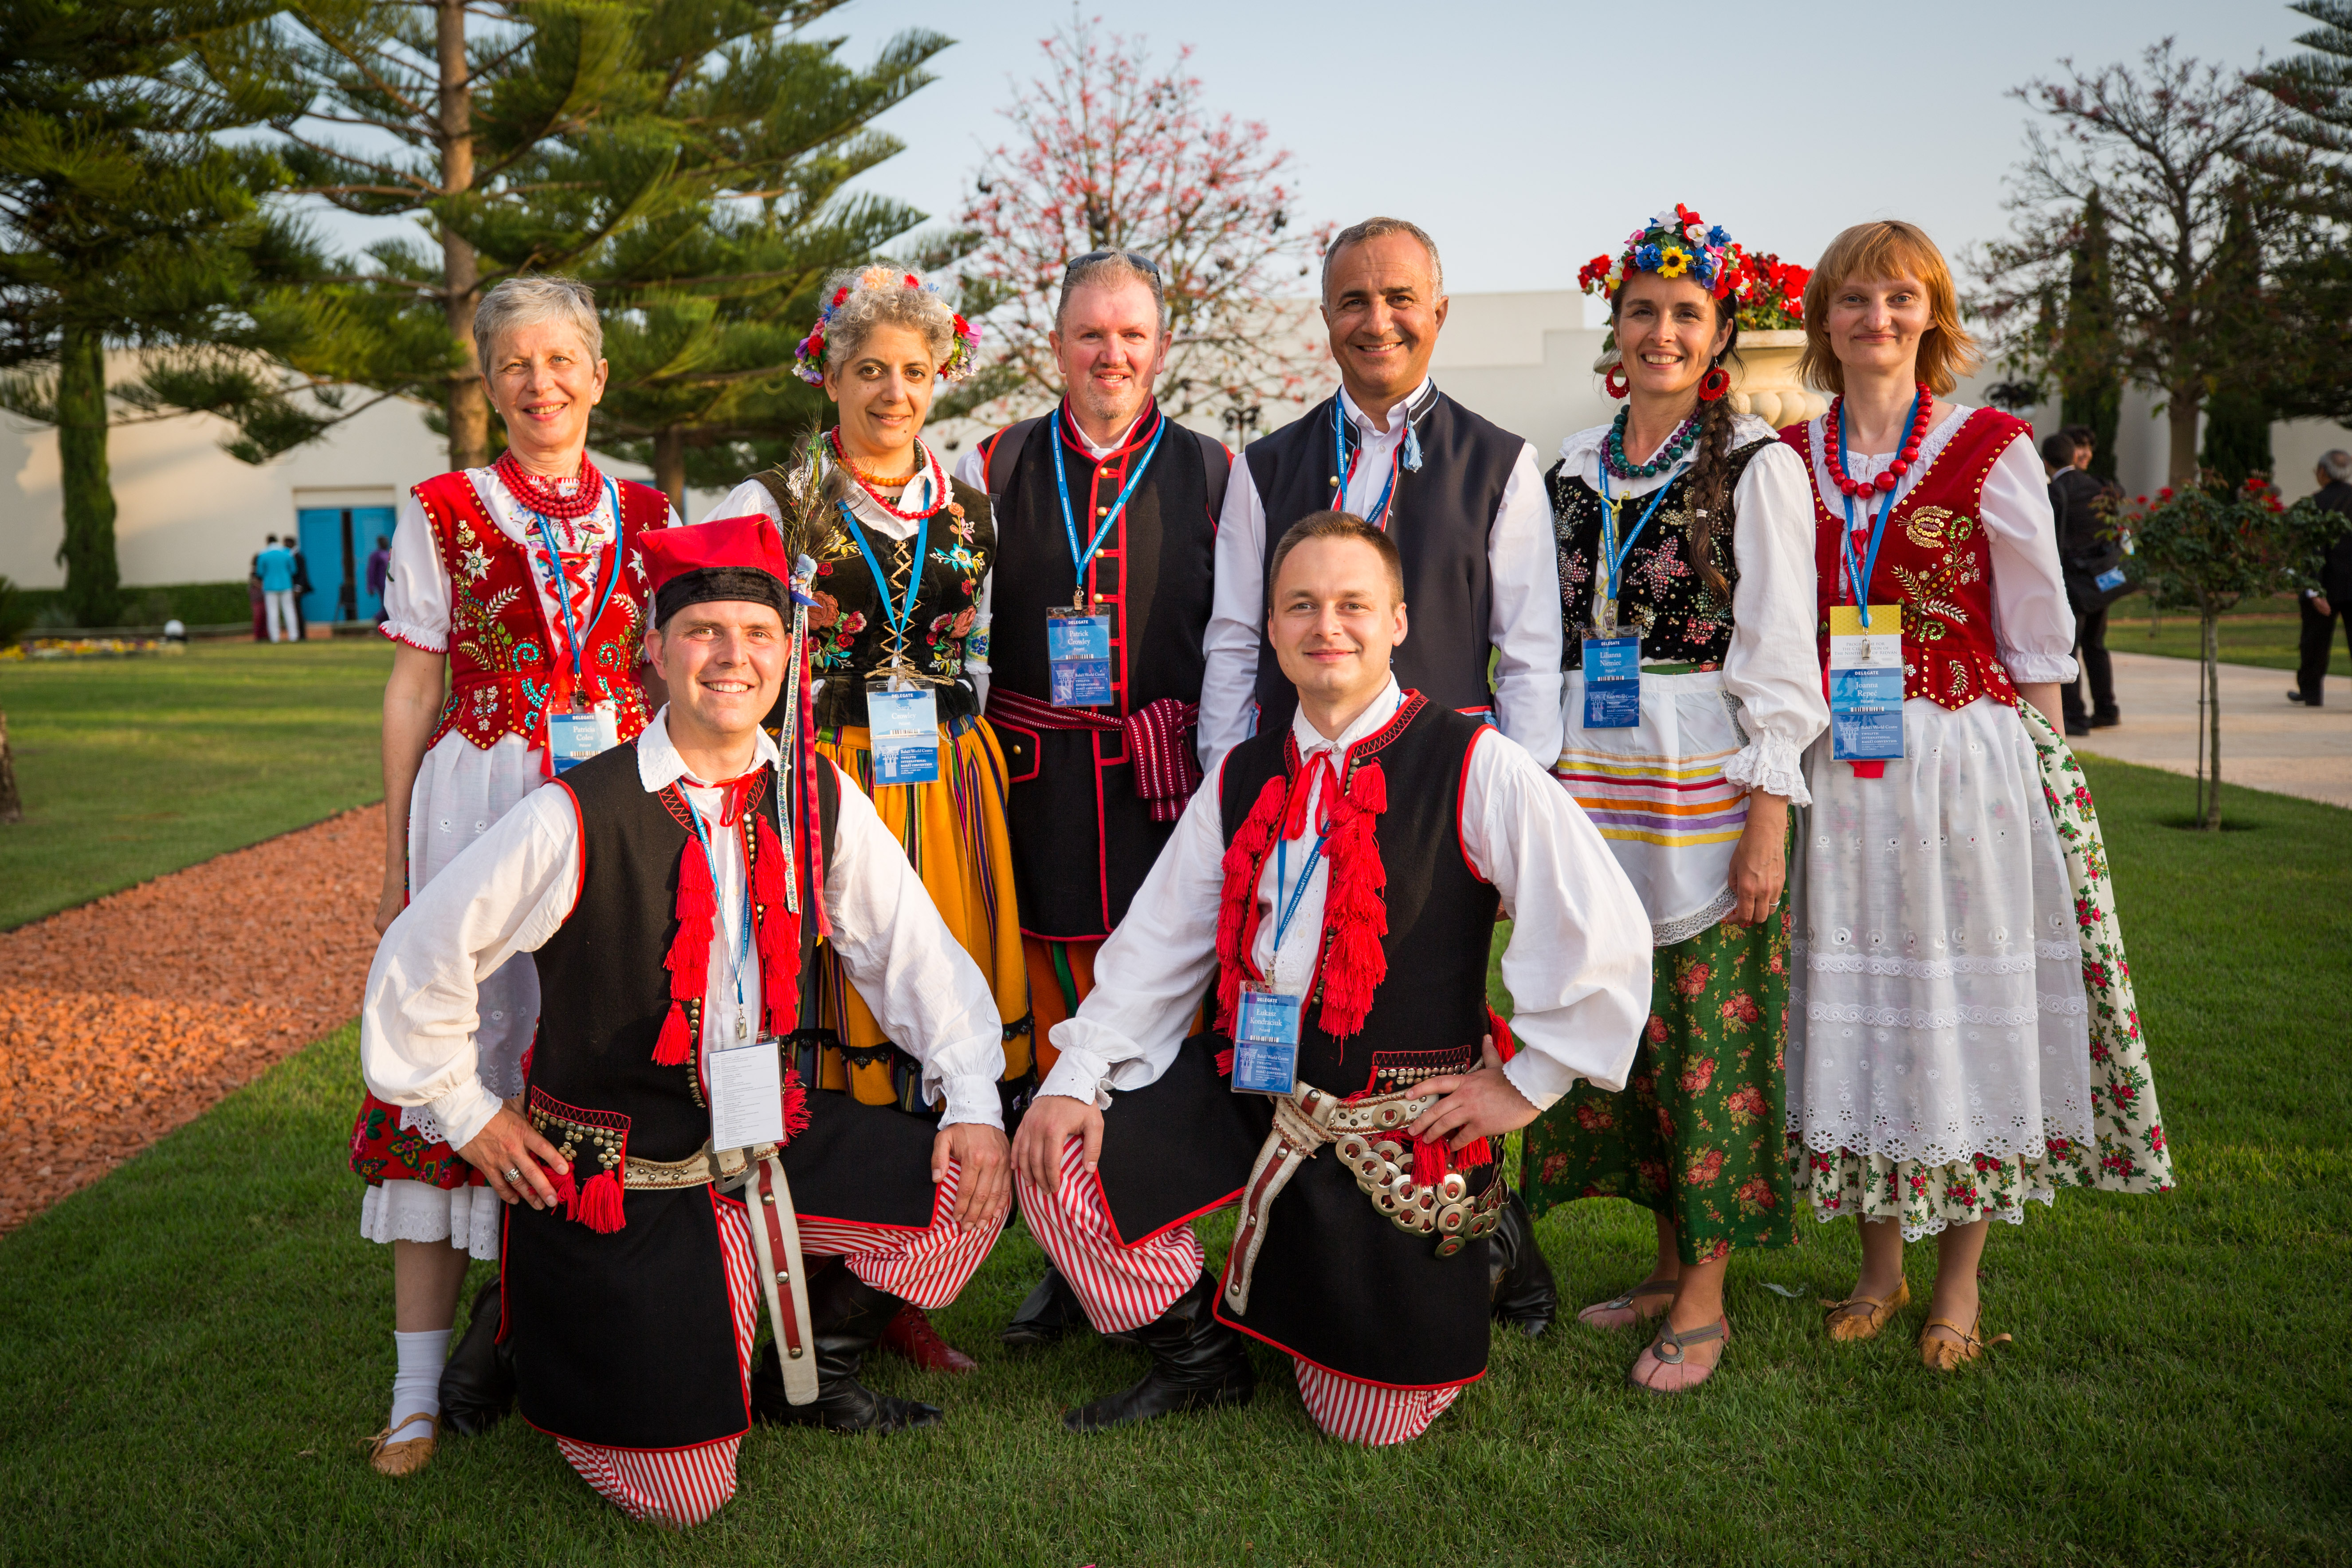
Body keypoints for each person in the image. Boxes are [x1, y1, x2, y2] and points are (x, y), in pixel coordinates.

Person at [360, 513, 1013, 1526]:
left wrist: (971, 1102)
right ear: (656, 654)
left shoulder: (814, 795)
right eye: (703, 631)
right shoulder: (575, 812)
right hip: (628, 1176)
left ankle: (811, 1378)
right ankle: (527, 1325)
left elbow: (913, 957)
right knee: (681, 1497)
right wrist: (471, 1113)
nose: (731, 657)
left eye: (756, 635)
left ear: (788, 654)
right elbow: (417, 961)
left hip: (770, 1142)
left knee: (965, 1194)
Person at [1010, 512, 1649, 1443]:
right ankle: (1197, 1355)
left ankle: (1491, 1238)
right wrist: (1078, 1074)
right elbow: (1158, 947)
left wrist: (1525, 1082)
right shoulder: (1239, 772)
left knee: (1364, 1421)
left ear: (1396, 619)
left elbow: (1596, 923)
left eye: (1352, 604)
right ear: (1269, 627)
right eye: (1300, 605)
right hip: (1252, 1083)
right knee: (1056, 1147)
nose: (1326, 627)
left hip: (1388, 1122)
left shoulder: (1473, 763)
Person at [1779, 221, 2173, 1370]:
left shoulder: (1990, 443)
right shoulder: (1789, 458)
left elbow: (2034, 631)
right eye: (1852, 298)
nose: (1875, 317)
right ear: (1823, 322)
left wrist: (2053, 781)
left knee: (1960, 1012)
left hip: (1962, 759)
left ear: (1930, 315)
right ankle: (1875, 1266)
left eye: (1898, 297)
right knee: (1860, 1015)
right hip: (1838, 775)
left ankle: (1955, 1278)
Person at [1199, 215, 1567, 1332]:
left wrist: (1515, 817)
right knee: (1307, 1019)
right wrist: (1232, 797)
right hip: (1298, 794)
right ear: (1325, 322)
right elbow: (1229, 637)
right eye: (1353, 302)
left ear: (1437, 314)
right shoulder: (1263, 464)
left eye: (1400, 298)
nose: (1378, 320)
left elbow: (1533, 650)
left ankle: (1500, 1245)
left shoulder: (1498, 462)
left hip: (1437, 808)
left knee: (1436, 1026)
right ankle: (1319, 1237)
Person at [352, 275, 679, 1478]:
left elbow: (671, 680)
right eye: (513, 367)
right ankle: (415, 1389)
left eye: (561, 361)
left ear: (597, 374)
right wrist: (394, 860)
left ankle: (556, 1338)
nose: (540, 384)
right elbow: (412, 686)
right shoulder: (443, 507)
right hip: (481, 802)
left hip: (606, 812)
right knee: (458, 1063)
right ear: (488, 388)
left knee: (588, 1061)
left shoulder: (649, 511)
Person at [1521, 207, 1828, 1392]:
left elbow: (1779, 655)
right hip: (1593, 788)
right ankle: (1661, 1261)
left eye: (1683, 314)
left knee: (1707, 1037)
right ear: (1613, 327)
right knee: (1631, 1033)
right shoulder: (1566, 469)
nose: (1659, 331)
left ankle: (1703, 1296)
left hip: (1701, 788)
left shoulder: (1755, 468)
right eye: (1640, 310)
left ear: (1716, 334)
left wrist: (1766, 813)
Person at [703, 263, 1025, 1374]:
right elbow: (731, 652)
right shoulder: (774, 501)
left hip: (948, 783)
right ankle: (826, 1271)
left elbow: (977, 649)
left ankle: (899, 1287)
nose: (893, 392)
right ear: (827, 375)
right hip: (824, 779)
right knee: (844, 1032)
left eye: (914, 372)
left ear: (943, 377)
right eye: (869, 370)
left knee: (941, 1018)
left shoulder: (973, 504)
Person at [946, 250, 1229, 1348]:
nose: (1111, 354)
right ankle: (1076, 1258)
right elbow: (958, 632)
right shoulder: (996, 462)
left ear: (1161, 346)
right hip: (1032, 793)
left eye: (1132, 335)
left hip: (1159, 791)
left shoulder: (1214, 472)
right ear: (1054, 346)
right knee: (1051, 1023)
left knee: (1155, 1025)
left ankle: (1154, 1247)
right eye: (1089, 335)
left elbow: (1236, 644)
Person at [2045, 431, 2120, 736]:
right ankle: (2107, 709)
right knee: (2095, 645)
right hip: (2100, 580)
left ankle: (2074, 716)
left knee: (2068, 648)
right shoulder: (2101, 486)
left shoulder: (2056, 492)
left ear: (2046, 460)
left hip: (2072, 584)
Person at [2289, 450, 2352, 707]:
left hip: (2324, 584)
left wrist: (2314, 590)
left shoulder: (2315, 504)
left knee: (2314, 642)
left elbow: (2313, 549)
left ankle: (2311, 693)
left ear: (2323, 472)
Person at [257, 536, 298, 643]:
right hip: (286, 585)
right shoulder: (287, 553)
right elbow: (293, 570)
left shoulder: (263, 554)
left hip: (270, 586)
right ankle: (293, 636)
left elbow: (260, 572)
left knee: (272, 612)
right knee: (289, 610)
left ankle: (275, 638)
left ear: (267, 542)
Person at [367, 533, 393, 625]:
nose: (385, 543)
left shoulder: (388, 554)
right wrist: (370, 586)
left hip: (390, 584)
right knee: (387, 605)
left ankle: (384, 625)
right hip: (382, 584)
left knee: (391, 604)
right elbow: (371, 571)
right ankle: (377, 621)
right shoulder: (376, 555)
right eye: (383, 542)